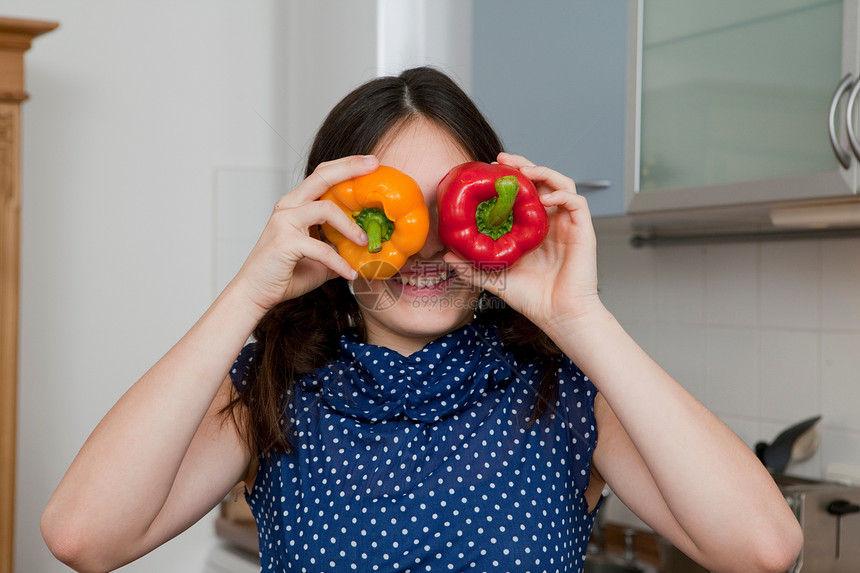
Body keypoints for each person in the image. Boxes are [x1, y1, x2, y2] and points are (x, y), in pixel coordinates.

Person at [41, 67, 802, 573]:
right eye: (391, 209)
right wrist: (249, 293)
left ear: (501, 210)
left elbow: (764, 548)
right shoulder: (275, 383)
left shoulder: (562, 387)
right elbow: (83, 536)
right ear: (329, 219)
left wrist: (580, 315)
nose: (429, 244)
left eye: (453, 204)